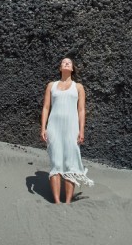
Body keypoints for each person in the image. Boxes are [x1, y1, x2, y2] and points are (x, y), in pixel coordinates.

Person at [38, 57, 91, 204]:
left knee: (70, 163)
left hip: (71, 129)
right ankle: (57, 201)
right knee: (56, 163)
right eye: (63, 62)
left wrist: (82, 130)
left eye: (69, 62)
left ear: (72, 68)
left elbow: (81, 110)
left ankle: (67, 202)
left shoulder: (78, 87)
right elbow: (46, 107)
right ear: (60, 68)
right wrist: (43, 128)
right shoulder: (51, 86)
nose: (66, 63)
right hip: (54, 128)